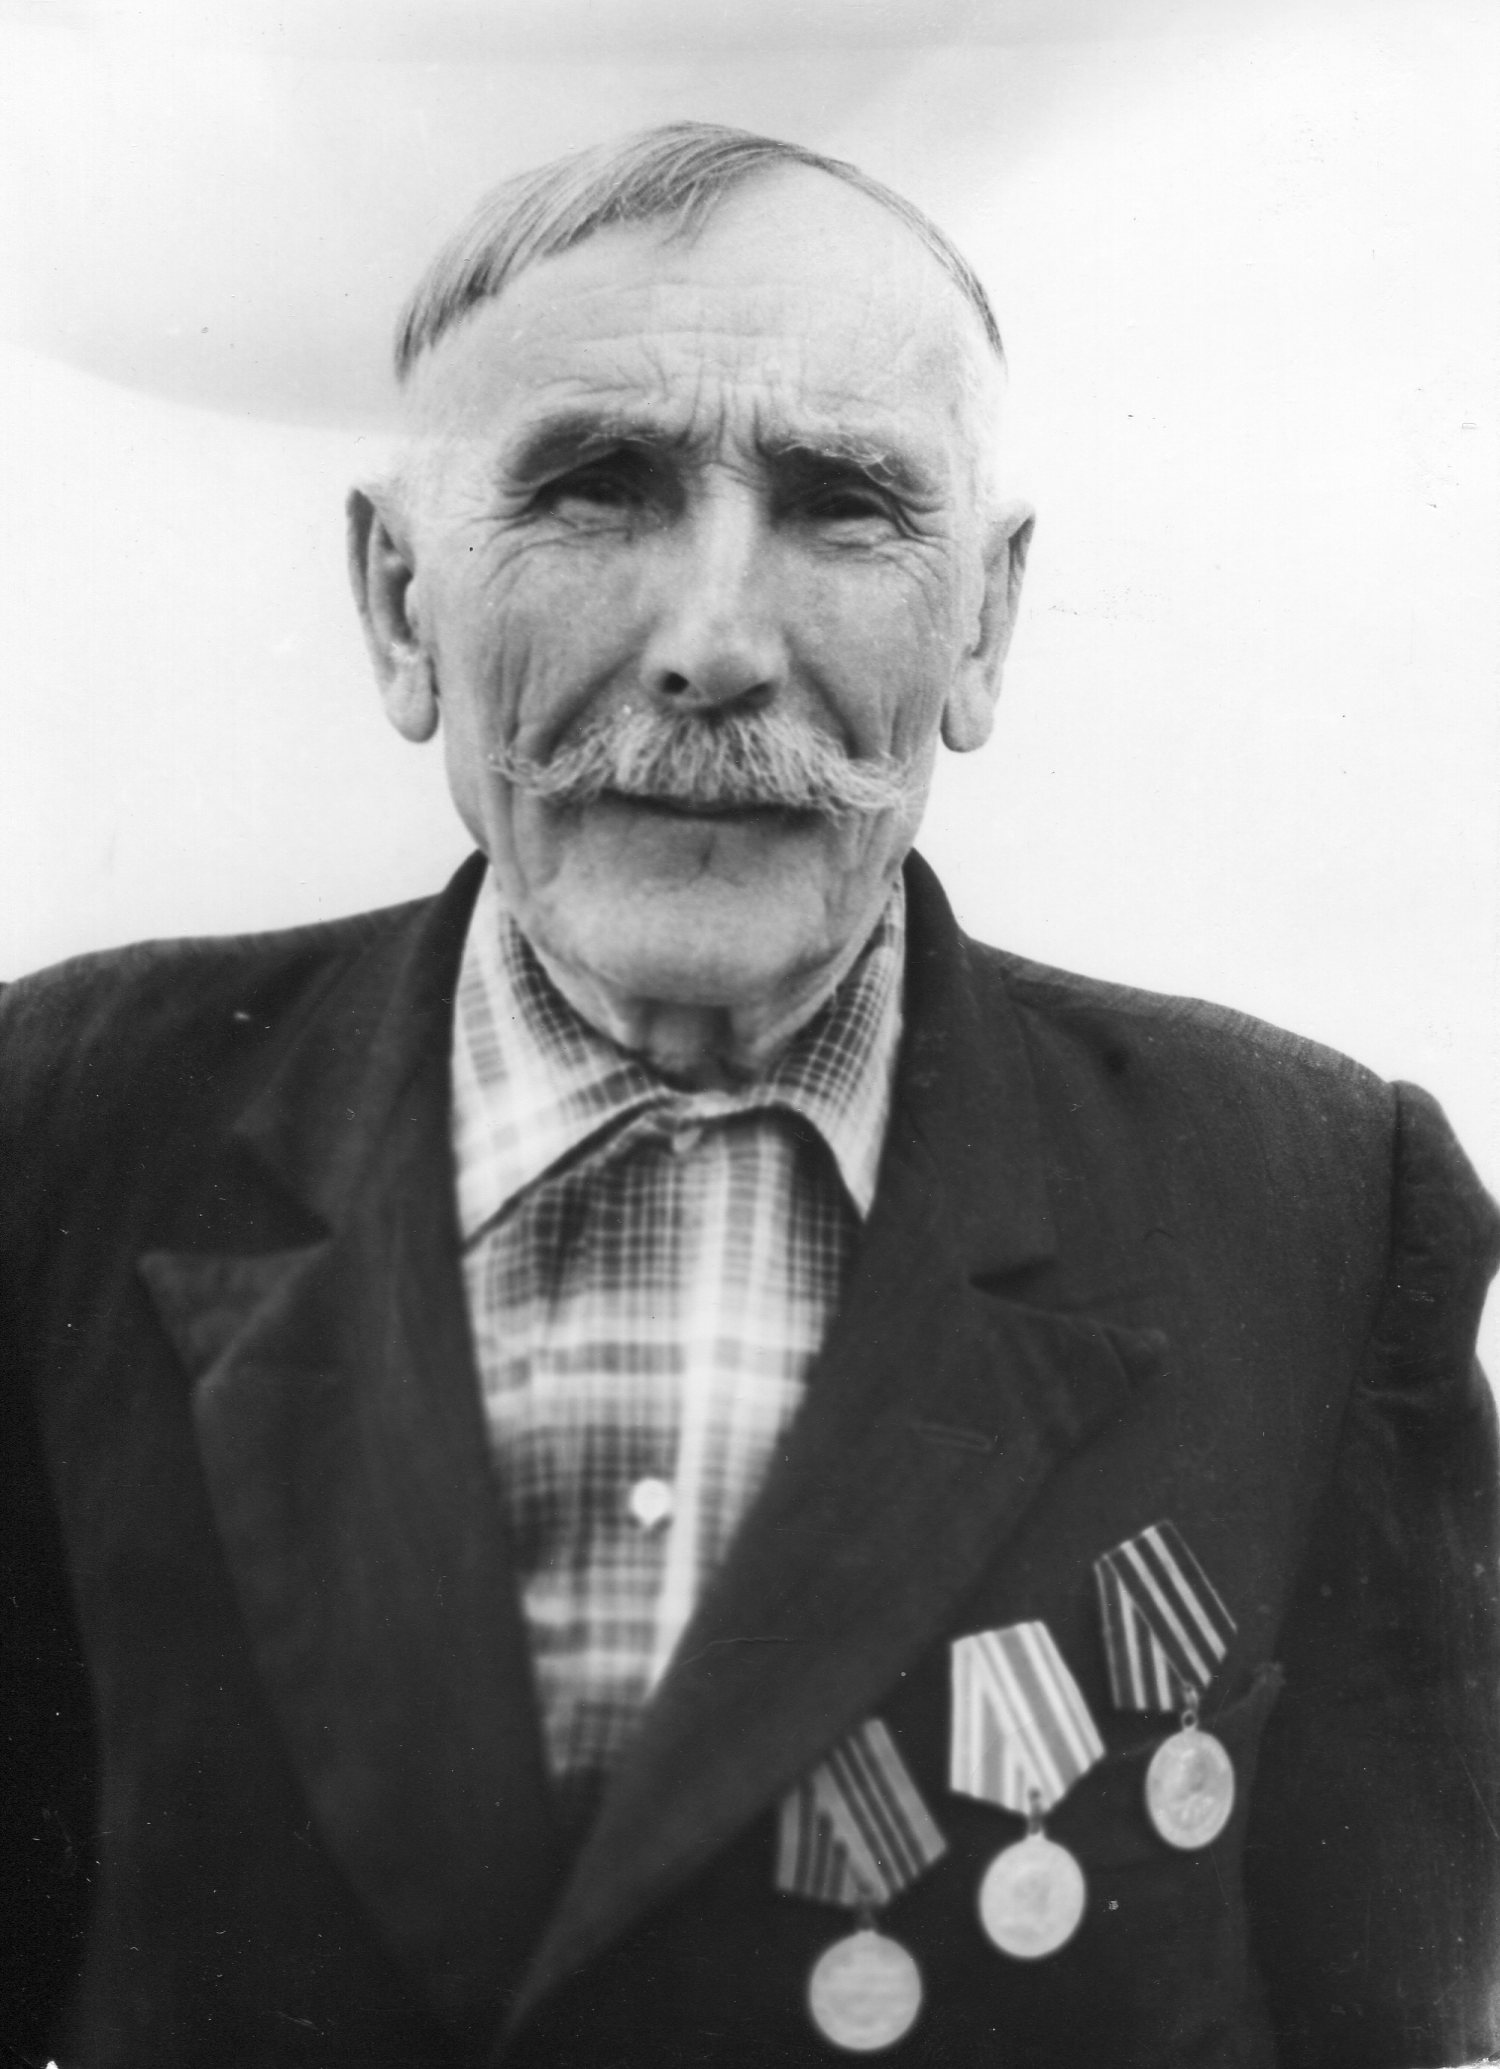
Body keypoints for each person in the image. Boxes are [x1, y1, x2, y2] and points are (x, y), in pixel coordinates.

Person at [2, 121, 1497, 2069]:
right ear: (396, 601)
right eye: (594, 488)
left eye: (844, 506)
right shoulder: (59, 1134)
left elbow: (1409, 2019)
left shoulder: (1316, 1205)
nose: (714, 644)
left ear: (984, 623)